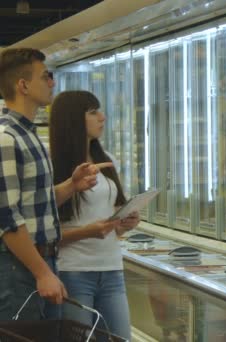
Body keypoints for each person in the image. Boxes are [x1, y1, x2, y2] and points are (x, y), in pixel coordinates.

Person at [0, 48, 109, 321]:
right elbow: (8, 219)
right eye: (46, 76)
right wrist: (42, 273)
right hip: (19, 269)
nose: (52, 83)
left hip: (42, 261)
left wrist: (72, 185)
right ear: (23, 85)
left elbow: (37, 203)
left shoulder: (30, 135)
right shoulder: (6, 138)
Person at [50, 90, 139, 341]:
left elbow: (111, 221)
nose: (103, 117)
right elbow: (44, 234)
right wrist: (87, 232)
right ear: (72, 119)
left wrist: (125, 223)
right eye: (93, 112)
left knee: (121, 338)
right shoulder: (53, 165)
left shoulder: (106, 160)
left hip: (111, 270)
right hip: (73, 272)